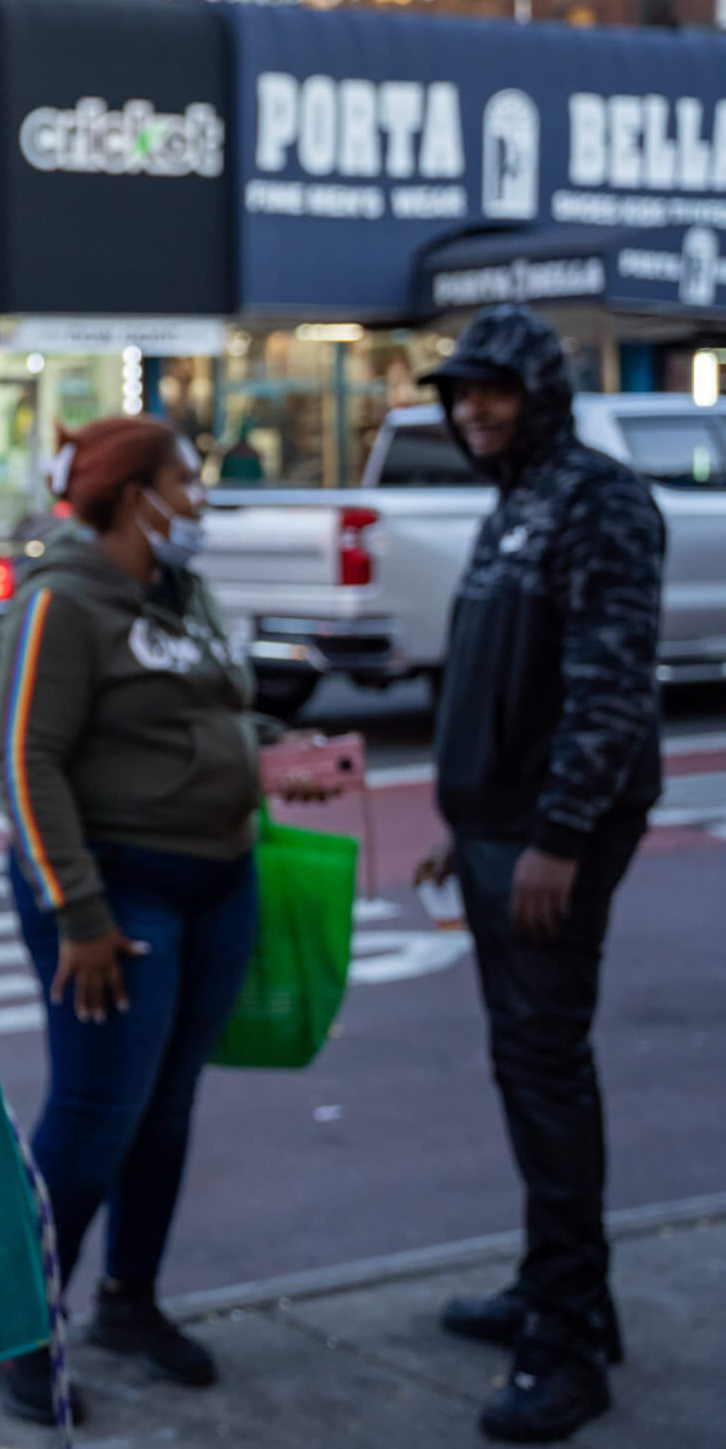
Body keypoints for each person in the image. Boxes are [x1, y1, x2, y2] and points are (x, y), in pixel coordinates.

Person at [0, 415, 321, 1425]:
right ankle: (17, 1331)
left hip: (218, 881)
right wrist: (77, 914)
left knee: (166, 1106)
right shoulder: (61, 604)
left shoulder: (183, 593)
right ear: (138, 496)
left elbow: (204, 711)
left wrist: (275, 748)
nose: (201, 500)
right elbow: (22, 761)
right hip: (112, 894)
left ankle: (128, 1303)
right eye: (188, 481)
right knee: (93, 1119)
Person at [415, 303, 663, 1445]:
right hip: (494, 828)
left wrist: (557, 837)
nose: (471, 410)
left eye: (492, 391)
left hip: (548, 839)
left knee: (544, 1067)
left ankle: (565, 1345)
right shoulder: (517, 498)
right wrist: (460, 822)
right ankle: (564, 1288)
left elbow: (609, 690)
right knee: (526, 1067)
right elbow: (491, 680)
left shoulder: (599, 500)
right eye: (459, 394)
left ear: (539, 394)